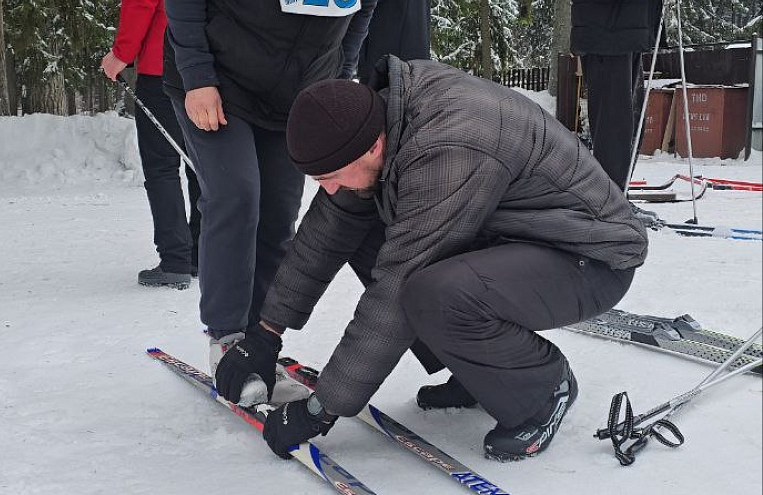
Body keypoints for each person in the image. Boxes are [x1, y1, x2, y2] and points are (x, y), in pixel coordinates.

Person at [213, 55, 649, 461]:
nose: (326, 188)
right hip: (516, 239)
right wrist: (265, 334)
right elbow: (326, 230)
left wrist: (321, 408)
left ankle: (542, 389)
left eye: (328, 177)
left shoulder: (449, 146)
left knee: (431, 291)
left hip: (588, 257)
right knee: (371, 233)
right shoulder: (378, 120)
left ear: (370, 147)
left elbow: (399, 284)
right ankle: (480, 370)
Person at [162, 0, 393, 384]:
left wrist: (341, 74)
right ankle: (227, 337)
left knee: (279, 214)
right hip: (218, 83)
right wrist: (198, 76)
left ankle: (260, 340)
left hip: (300, 93)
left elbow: (365, 1)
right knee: (236, 193)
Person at [101, 0, 201, 289]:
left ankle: (176, 259)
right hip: (213, 64)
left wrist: (121, 53)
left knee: (162, 164)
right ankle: (202, 254)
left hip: (165, 61)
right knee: (201, 162)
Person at [569, 0, 684, 195]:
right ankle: (607, 203)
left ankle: (616, 196)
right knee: (613, 129)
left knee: (630, 123)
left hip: (627, 38)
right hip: (607, 43)